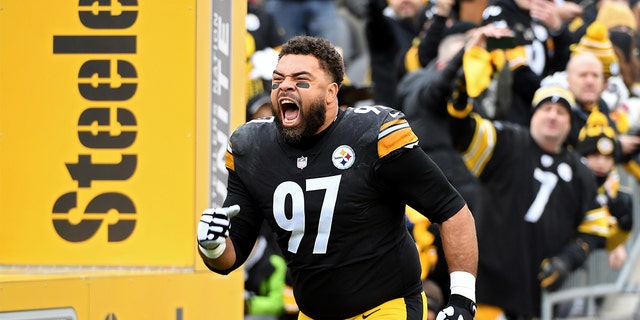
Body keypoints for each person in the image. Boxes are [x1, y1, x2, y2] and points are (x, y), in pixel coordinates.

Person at [197, 35, 479, 320]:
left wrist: (462, 299)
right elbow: (231, 255)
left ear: (331, 92)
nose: (285, 86)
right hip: (313, 313)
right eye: (278, 79)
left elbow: (451, 209)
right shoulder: (252, 146)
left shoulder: (371, 135)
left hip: (385, 307)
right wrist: (213, 245)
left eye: (301, 80)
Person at [445, 28, 610, 319]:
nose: (552, 116)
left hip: (536, 298)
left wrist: (568, 259)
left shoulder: (579, 170)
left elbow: (596, 226)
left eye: (561, 112)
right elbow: (464, 131)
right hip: (488, 288)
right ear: (533, 114)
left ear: (570, 124)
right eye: (545, 108)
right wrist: (460, 97)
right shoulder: (507, 141)